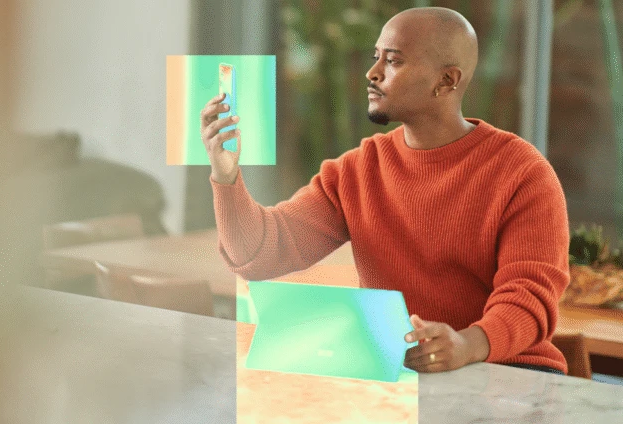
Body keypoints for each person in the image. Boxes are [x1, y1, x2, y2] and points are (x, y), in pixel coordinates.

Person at [199, 7, 570, 375]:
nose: (372, 73)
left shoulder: (523, 173)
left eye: (392, 61)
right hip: (401, 375)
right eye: (377, 57)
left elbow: (529, 298)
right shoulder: (358, 169)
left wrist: (466, 345)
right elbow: (260, 254)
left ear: (446, 81)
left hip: (512, 376)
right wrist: (226, 176)